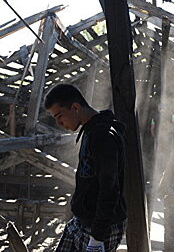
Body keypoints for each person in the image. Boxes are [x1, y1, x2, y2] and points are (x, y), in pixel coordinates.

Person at [45, 84, 127, 252]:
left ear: (75, 107)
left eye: (59, 116)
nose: (59, 123)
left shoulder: (104, 136)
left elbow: (109, 189)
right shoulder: (90, 131)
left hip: (101, 227)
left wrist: (97, 238)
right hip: (81, 221)